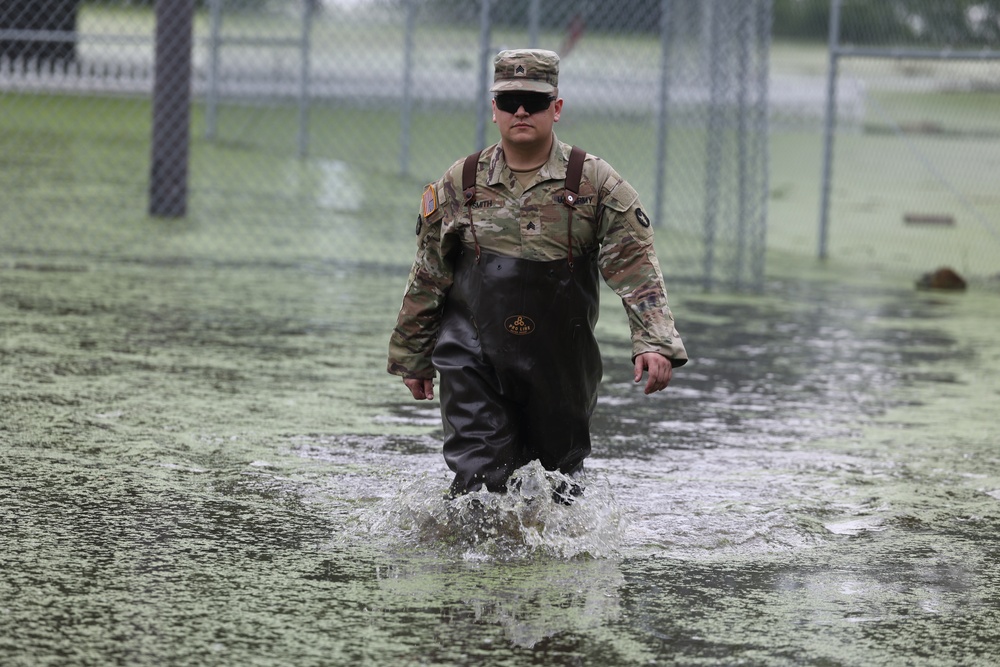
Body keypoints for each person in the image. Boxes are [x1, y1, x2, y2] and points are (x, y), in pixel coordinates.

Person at [388, 49, 688, 498]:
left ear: (557, 108)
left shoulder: (594, 183)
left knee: (559, 487)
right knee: (479, 484)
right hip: (475, 357)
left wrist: (655, 341)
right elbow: (429, 273)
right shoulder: (460, 184)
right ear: (494, 111)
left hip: (560, 362)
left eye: (534, 100)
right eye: (509, 102)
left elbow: (637, 265)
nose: (521, 111)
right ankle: (469, 564)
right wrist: (413, 354)